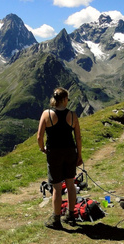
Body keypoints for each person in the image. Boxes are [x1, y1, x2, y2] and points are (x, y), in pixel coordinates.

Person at [37, 87, 83, 229]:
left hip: (54, 153)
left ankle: (56, 219)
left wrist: (42, 148)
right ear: (64, 100)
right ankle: (71, 215)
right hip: (70, 152)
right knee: (70, 185)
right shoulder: (73, 115)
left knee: (56, 187)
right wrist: (79, 155)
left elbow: (39, 136)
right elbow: (78, 138)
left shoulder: (47, 114)